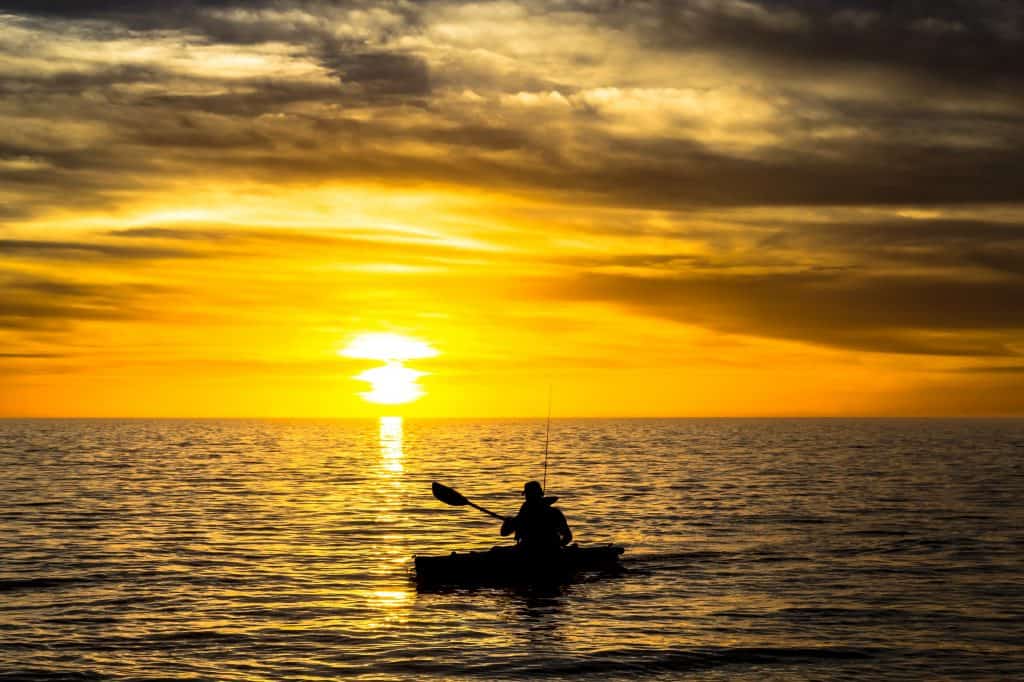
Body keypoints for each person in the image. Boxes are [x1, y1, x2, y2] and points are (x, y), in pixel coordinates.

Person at [501, 480, 572, 553]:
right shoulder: (555, 513)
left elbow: (504, 533)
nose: (527, 498)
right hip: (551, 551)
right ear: (541, 494)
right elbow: (568, 537)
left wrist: (508, 522)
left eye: (528, 495)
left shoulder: (523, 515)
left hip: (527, 551)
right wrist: (558, 546)